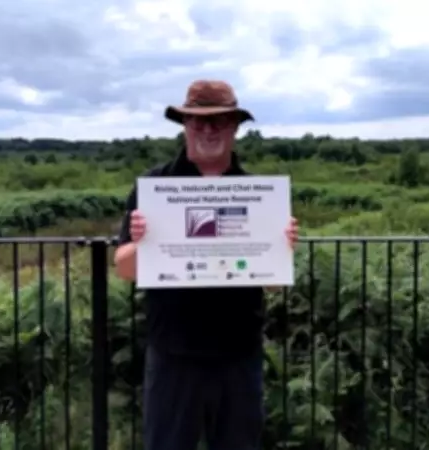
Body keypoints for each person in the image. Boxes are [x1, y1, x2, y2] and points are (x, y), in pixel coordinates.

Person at [113, 79, 299, 450]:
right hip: (173, 355)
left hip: (238, 353)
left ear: (235, 128)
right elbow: (124, 268)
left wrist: (283, 248)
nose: (208, 130)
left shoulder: (257, 194)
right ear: (185, 125)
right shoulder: (155, 186)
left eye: (220, 121)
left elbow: (275, 284)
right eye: (199, 121)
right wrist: (141, 243)